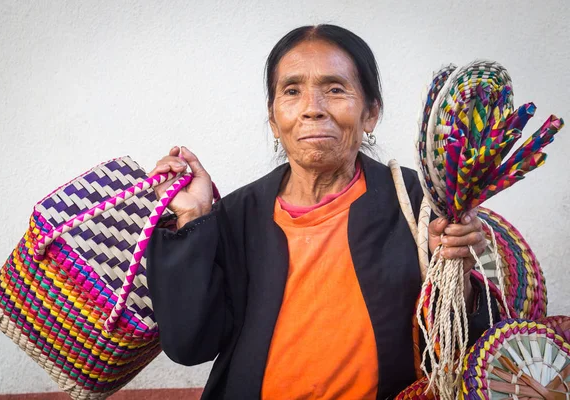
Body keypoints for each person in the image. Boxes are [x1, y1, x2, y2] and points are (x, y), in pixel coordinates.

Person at [146, 24, 496, 399]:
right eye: (292, 91)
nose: (312, 109)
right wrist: (193, 218)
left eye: (334, 89)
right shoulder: (237, 214)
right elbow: (189, 347)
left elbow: (465, 347)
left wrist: (456, 271)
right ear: (273, 119)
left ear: (371, 113)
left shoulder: (423, 204)